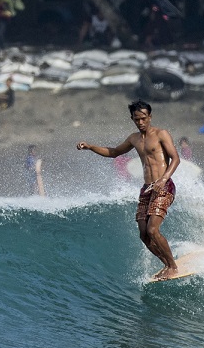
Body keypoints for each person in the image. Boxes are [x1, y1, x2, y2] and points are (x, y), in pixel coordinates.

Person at [77, 100, 183, 280]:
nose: (140, 122)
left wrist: (163, 179)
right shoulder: (134, 138)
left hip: (164, 185)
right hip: (146, 188)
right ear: (132, 119)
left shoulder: (161, 134)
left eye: (143, 118)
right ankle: (166, 264)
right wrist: (91, 147)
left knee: (152, 230)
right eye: (136, 119)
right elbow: (114, 152)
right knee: (143, 234)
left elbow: (175, 159)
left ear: (150, 117)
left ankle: (173, 266)